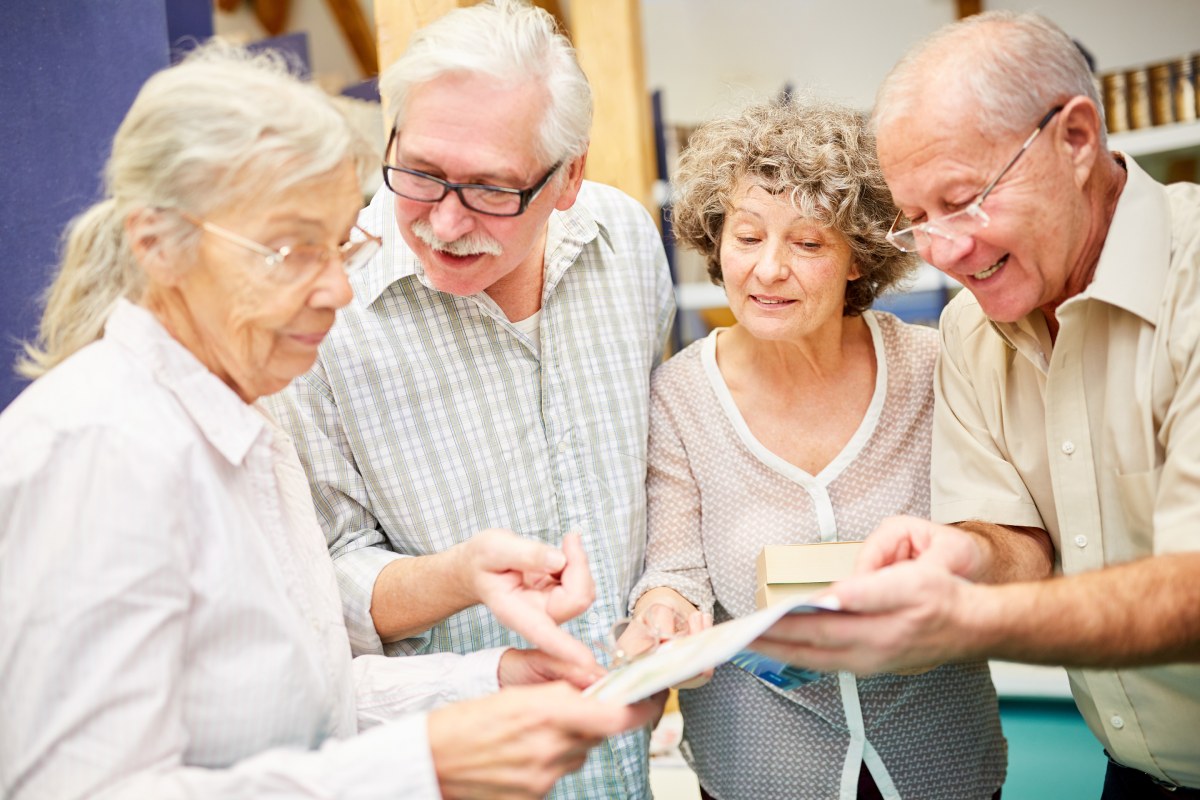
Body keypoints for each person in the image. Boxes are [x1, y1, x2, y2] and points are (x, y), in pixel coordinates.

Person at [0, 45, 658, 800]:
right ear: (157, 245)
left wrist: (489, 680)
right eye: (291, 251)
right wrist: (421, 766)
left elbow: (310, 712)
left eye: (342, 242)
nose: (340, 288)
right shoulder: (97, 450)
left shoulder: (247, 429)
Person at [752, 11, 1200, 798]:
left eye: (963, 200)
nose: (942, 253)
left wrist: (964, 621)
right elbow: (1018, 540)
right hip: (1134, 774)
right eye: (914, 218)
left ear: (1076, 139)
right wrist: (966, 557)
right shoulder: (971, 328)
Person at [263, 1, 675, 795]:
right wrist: (459, 574)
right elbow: (323, 587)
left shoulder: (626, 243)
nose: (445, 222)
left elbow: (657, 475)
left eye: (490, 189)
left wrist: (666, 594)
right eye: (419, 172)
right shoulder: (326, 309)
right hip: (455, 770)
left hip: (626, 766)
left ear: (569, 178)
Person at [627, 99, 1005, 800]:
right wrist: (664, 613)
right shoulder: (680, 394)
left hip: (939, 756)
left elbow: (996, 535)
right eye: (746, 237)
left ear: (858, 259)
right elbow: (674, 569)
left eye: (807, 243)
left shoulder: (933, 365)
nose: (768, 270)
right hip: (760, 769)